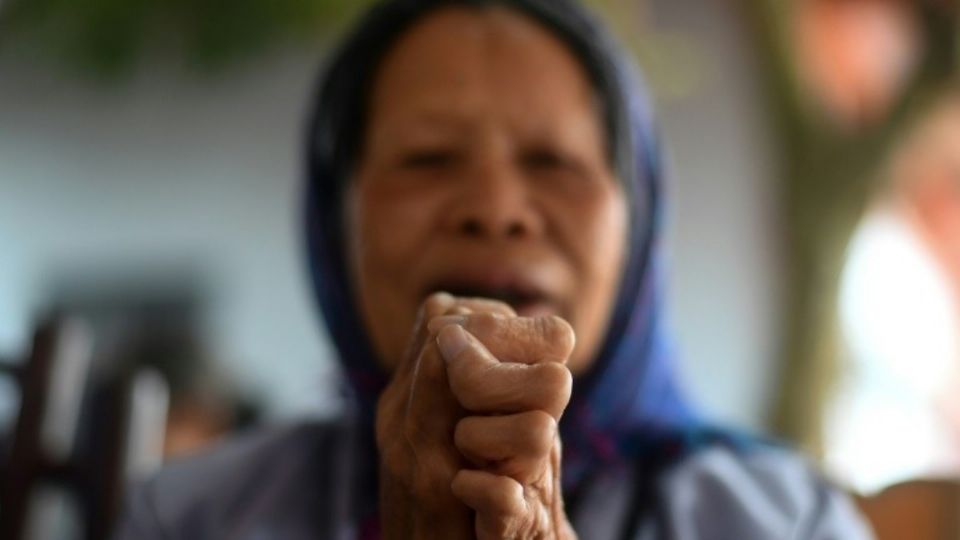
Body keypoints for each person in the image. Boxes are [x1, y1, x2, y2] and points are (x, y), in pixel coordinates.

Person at [115, 0, 873, 538]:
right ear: (333, 223)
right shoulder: (191, 517)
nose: (495, 208)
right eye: (428, 159)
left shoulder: (789, 523)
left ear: (637, 225)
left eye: (553, 161)